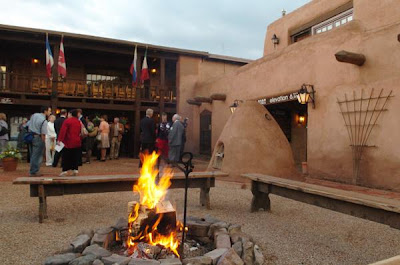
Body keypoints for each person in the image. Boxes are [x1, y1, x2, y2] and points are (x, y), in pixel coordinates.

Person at [58, 109, 82, 176]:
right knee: (75, 156)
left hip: (68, 141)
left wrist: (60, 139)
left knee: (66, 156)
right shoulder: (78, 121)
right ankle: (75, 169)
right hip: (77, 141)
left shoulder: (67, 121)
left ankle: (65, 170)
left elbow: (63, 131)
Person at [28, 106, 52, 176]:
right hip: (38, 136)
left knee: (33, 154)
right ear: (45, 111)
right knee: (37, 155)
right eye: (49, 111)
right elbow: (43, 133)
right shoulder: (44, 121)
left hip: (31, 135)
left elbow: (28, 124)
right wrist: (43, 142)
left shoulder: (34, 115)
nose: (50, 113)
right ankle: (34, 171)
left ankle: (33, 169)